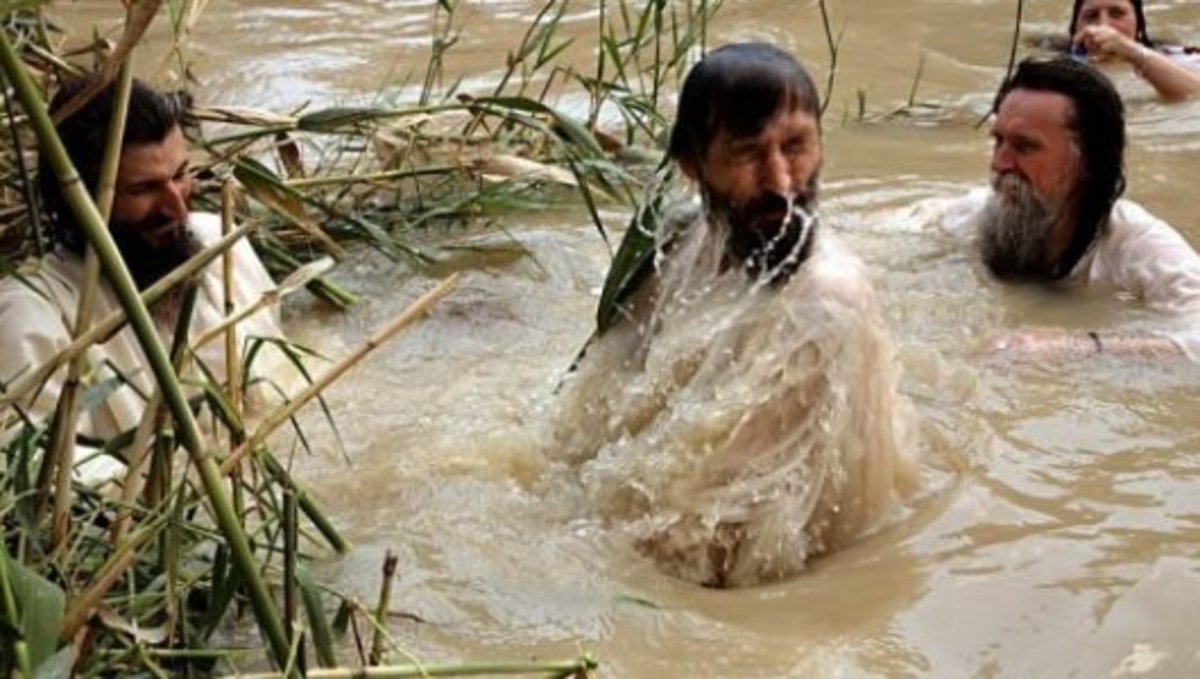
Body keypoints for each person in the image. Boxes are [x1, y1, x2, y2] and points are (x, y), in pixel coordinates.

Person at [550, 43, 918, 588]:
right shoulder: (682, 236)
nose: (781, 180)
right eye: (748, 153)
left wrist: (556, 555)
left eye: (796, 146)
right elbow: (599, 393)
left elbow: (718, 531)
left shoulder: (824, 302)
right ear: (692, 167)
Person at [0, 76, 285, 463]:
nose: (178, 207)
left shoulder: (220, 243)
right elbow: (41, 483)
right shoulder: (31, 322)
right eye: (144, 190)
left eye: (180, 175)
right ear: (77, 197)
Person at [931, 57, 1200, 358]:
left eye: (1024, 147)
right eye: (998, 142)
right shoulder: (976, 214)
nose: (999, 163)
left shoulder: (1138, 243)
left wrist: (1078, 348)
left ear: (1087, 162)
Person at [1068, 0, 1200, 101]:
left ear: (1139, 25)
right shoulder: (1056, 63)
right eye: (1091, 15)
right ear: (1075, 28)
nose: (1104, 25)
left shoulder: (1179, 57)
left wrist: (1133, 52)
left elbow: (1195, 95)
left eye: (1117, 13)